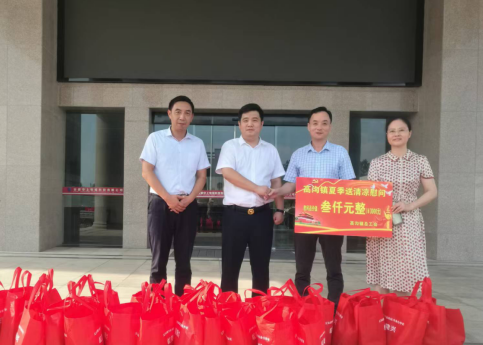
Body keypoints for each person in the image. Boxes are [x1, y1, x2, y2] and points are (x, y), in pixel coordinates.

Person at [268, 106, 355, 305]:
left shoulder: (340, 153)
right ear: (308, 126)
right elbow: (291, 184)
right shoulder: (299, 154)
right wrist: (278, 191)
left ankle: (334, 308)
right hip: (305, 216)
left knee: (334, 267)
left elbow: (349, 185)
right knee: (302, 267)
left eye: (324, 123)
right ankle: (303, 307)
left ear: (330, 127)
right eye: (315, 123)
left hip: (332, 219)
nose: (319, 127)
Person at [140, 96, 210, 296]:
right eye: (178, 112)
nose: (182, 117)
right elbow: (147, 172)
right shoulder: (155, 139)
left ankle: (182, 305)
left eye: (187, 113)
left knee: (184, 262)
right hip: (160, 205)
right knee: (158, 261)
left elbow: (202, 176)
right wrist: (168, 198)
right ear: (169, 114)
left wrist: (190, 198)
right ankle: (158, 306)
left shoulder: (197, 143)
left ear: (192, 117)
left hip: (188, 205)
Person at [216, 103, 285, 294]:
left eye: (254, 120)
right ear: (239, 124)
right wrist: (256, 188)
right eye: (245, 120)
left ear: (261, 124)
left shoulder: (270, 150)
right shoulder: (230, 146)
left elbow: (276, 181)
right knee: (230, 267)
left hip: (262, 216)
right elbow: (228, 173)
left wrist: (280, 209)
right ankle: (229, 308)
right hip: (234, 215)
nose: (250, 124)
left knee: (261, 268)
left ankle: (259, 308)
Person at [366, 117, 437, 296]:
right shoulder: (377, 162)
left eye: (401, 130)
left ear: (409, 133)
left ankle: (402, 312)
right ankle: (381, 312)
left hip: (409, 222)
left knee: (407, 274)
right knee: (382, 273)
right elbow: (370, 195)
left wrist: (410, 205)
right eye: (392, 131)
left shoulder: (420, 160)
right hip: (382, 222)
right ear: (387, 135)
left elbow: (431, 191)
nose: (396, 134)